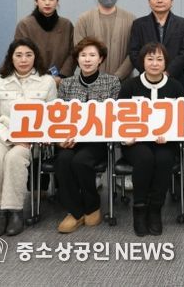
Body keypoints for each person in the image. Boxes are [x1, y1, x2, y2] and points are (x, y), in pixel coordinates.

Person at [0, 38, 57, 236]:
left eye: (28, 55)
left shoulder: (47, 81)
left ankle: (15, 212)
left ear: (35, 57)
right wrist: (10, 137)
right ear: (11, 58)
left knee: (13, 158)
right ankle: (1, 212)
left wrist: (42, 135)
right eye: (18, 55)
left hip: (30, 139)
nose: (23, 60)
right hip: (1, 136)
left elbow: (53, 115)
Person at [55, 37, 121, 233]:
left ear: (100, 59)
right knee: (63, 160)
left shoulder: (112, 82)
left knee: (81, 161)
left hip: (97, 141)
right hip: (70, 139)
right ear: (77, 59)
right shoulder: (66, 84)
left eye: (92, 55)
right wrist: (61, 139)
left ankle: (92, 206)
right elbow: (59, 116)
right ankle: (75, 211)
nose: (87, 59)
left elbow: (113, 117)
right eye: (83, 55)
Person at [119, 42, 184, 236]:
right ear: (142, 62)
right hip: (135, 142)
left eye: (159, 59)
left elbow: (182, 119)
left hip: (165, 141)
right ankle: (139, 209)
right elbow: (119, 118)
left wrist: (170, 135)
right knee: (145, 158)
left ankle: (155, 209)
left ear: (166, 62)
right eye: (150, 59)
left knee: (164, 159)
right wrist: (127, 138)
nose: (154, 63)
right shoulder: (129, 86)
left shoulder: (175, 86)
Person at [129, 0, 184, 94]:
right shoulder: (139, 24)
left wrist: (168, 73)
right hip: (145, 81)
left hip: (175, 79)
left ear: (172, 1)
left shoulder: (183, 24)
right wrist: (149, 73)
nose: (159, 0)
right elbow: (134, 52)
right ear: (149, 1)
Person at [74, 0, 135, 81]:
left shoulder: (131, 19)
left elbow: (134, 53)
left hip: (124, 82)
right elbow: (79, 51)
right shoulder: (84, 19)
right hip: (91, 81)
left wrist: (117, 77)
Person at [14, 0, 75, 83]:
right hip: (32, 81)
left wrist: (61, 76)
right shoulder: (25, 25)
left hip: (61, 81)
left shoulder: (66, 25)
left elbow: (72, 53)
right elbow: (21, 55)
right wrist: (39, 78)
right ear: (36, 1)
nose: (47, 3)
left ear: (57, 2)